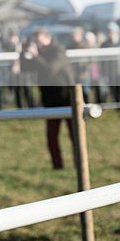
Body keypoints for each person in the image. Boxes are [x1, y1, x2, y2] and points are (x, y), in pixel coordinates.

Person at [20, 28, 75, 169]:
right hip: (50, 100)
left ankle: (79, 163)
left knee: (75, 135)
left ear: (46, 38)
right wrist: (23, 50)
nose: (37, 44)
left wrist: (36, 55)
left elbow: (50, 69)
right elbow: (25, 67)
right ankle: (57, 166)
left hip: (68, 99)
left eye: (38, 41)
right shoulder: (41, 53)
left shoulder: (58, 51)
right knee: (51, 137)